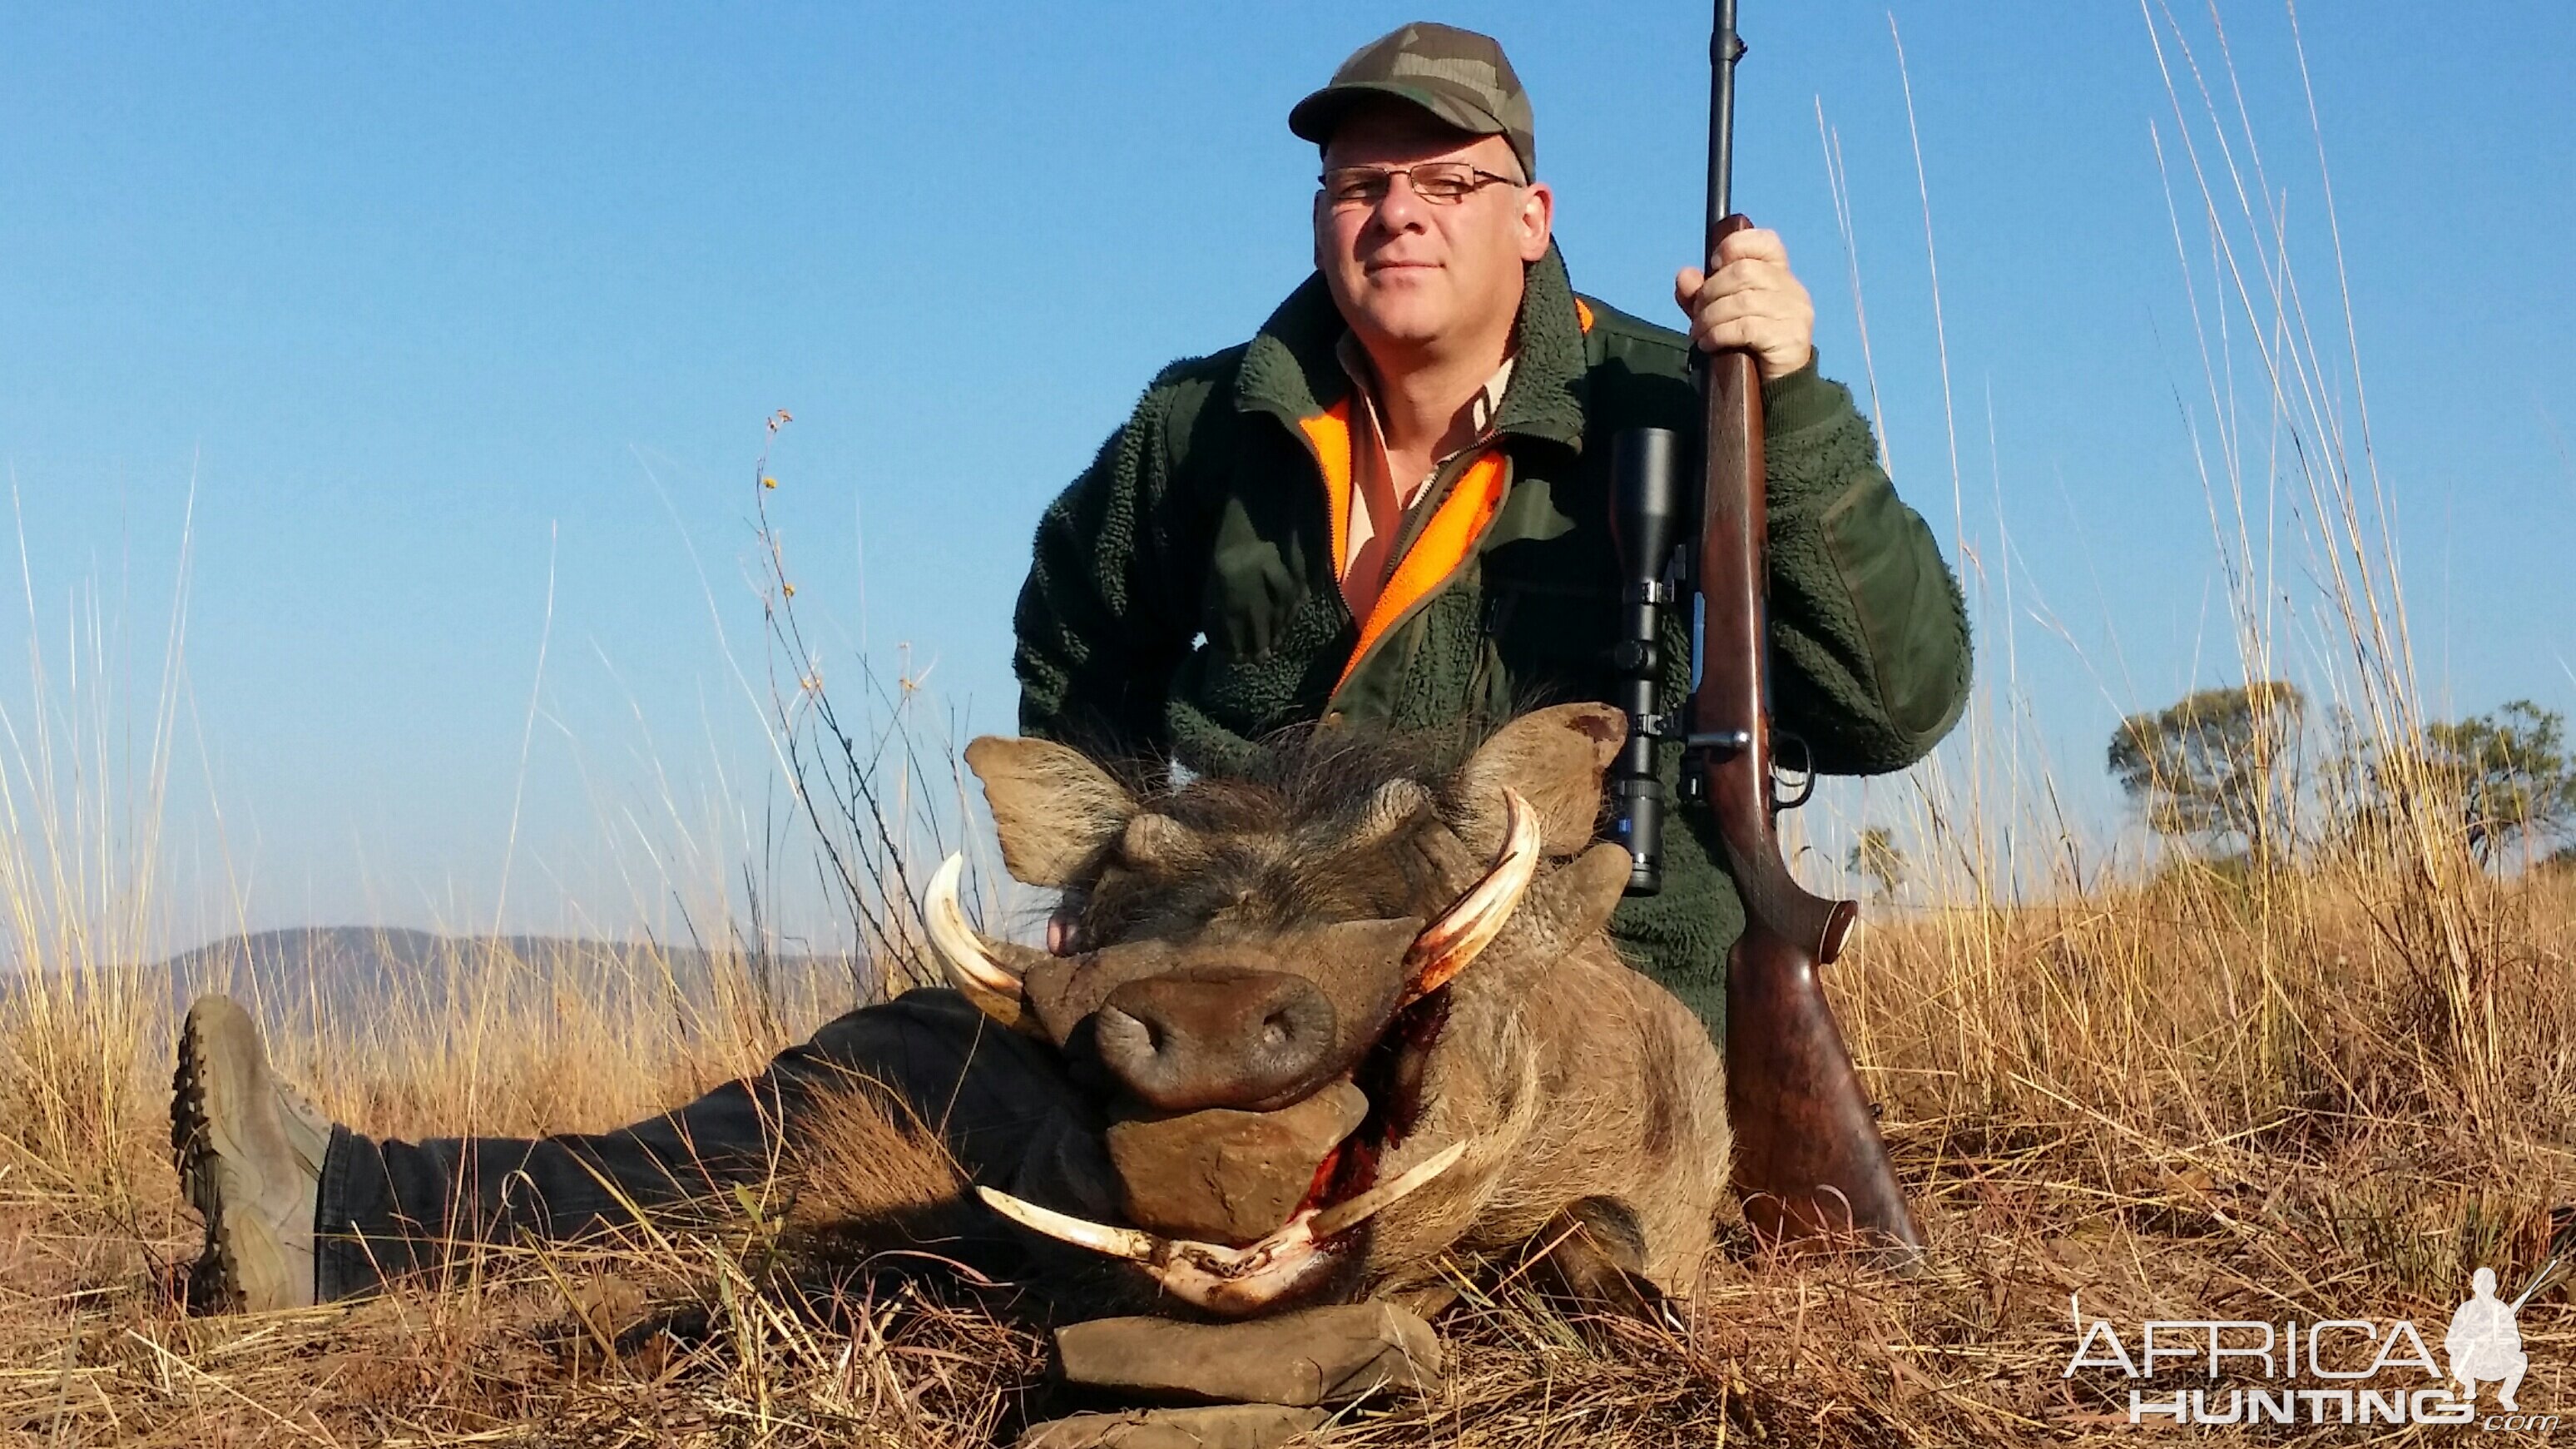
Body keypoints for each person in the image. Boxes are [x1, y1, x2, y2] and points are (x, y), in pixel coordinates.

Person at [171, 21, 1966, 1313]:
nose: (1396, 213)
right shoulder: (1210, 425)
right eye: (1358, 181)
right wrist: (1102, 890)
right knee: (879, 1077)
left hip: (1532, 969)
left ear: (1533, 212)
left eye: (1444, 179)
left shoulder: (1685, 406)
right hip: (1228, 962)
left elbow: (1895, 699)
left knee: (1430, 1131)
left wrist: (1790, 417)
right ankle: (352, 1213)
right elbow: (1074, 634)